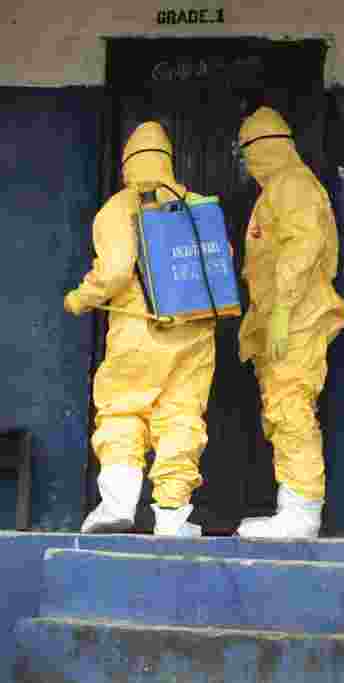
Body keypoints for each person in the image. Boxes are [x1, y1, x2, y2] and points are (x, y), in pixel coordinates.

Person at [64, 121, 216, 537]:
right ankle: (172, 516)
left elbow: (113, 272)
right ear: (169, 161)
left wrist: (80, 297)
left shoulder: (118, 207)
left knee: (123, 409)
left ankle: (117, 505)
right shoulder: (199, 205)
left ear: (128, 162)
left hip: (138, 329)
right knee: (182, 415)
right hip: (195, 331)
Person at [234, 106, 344, 539]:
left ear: (263, 148)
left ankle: (301, 511)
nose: (245, 163)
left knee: (292, 406)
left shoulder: (294, 187)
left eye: (247, 152)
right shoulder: (277, 190)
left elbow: (301, 250)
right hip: (283, 319)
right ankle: (293, 505)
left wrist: (281, 312)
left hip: (298, 317)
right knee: (283, 408)